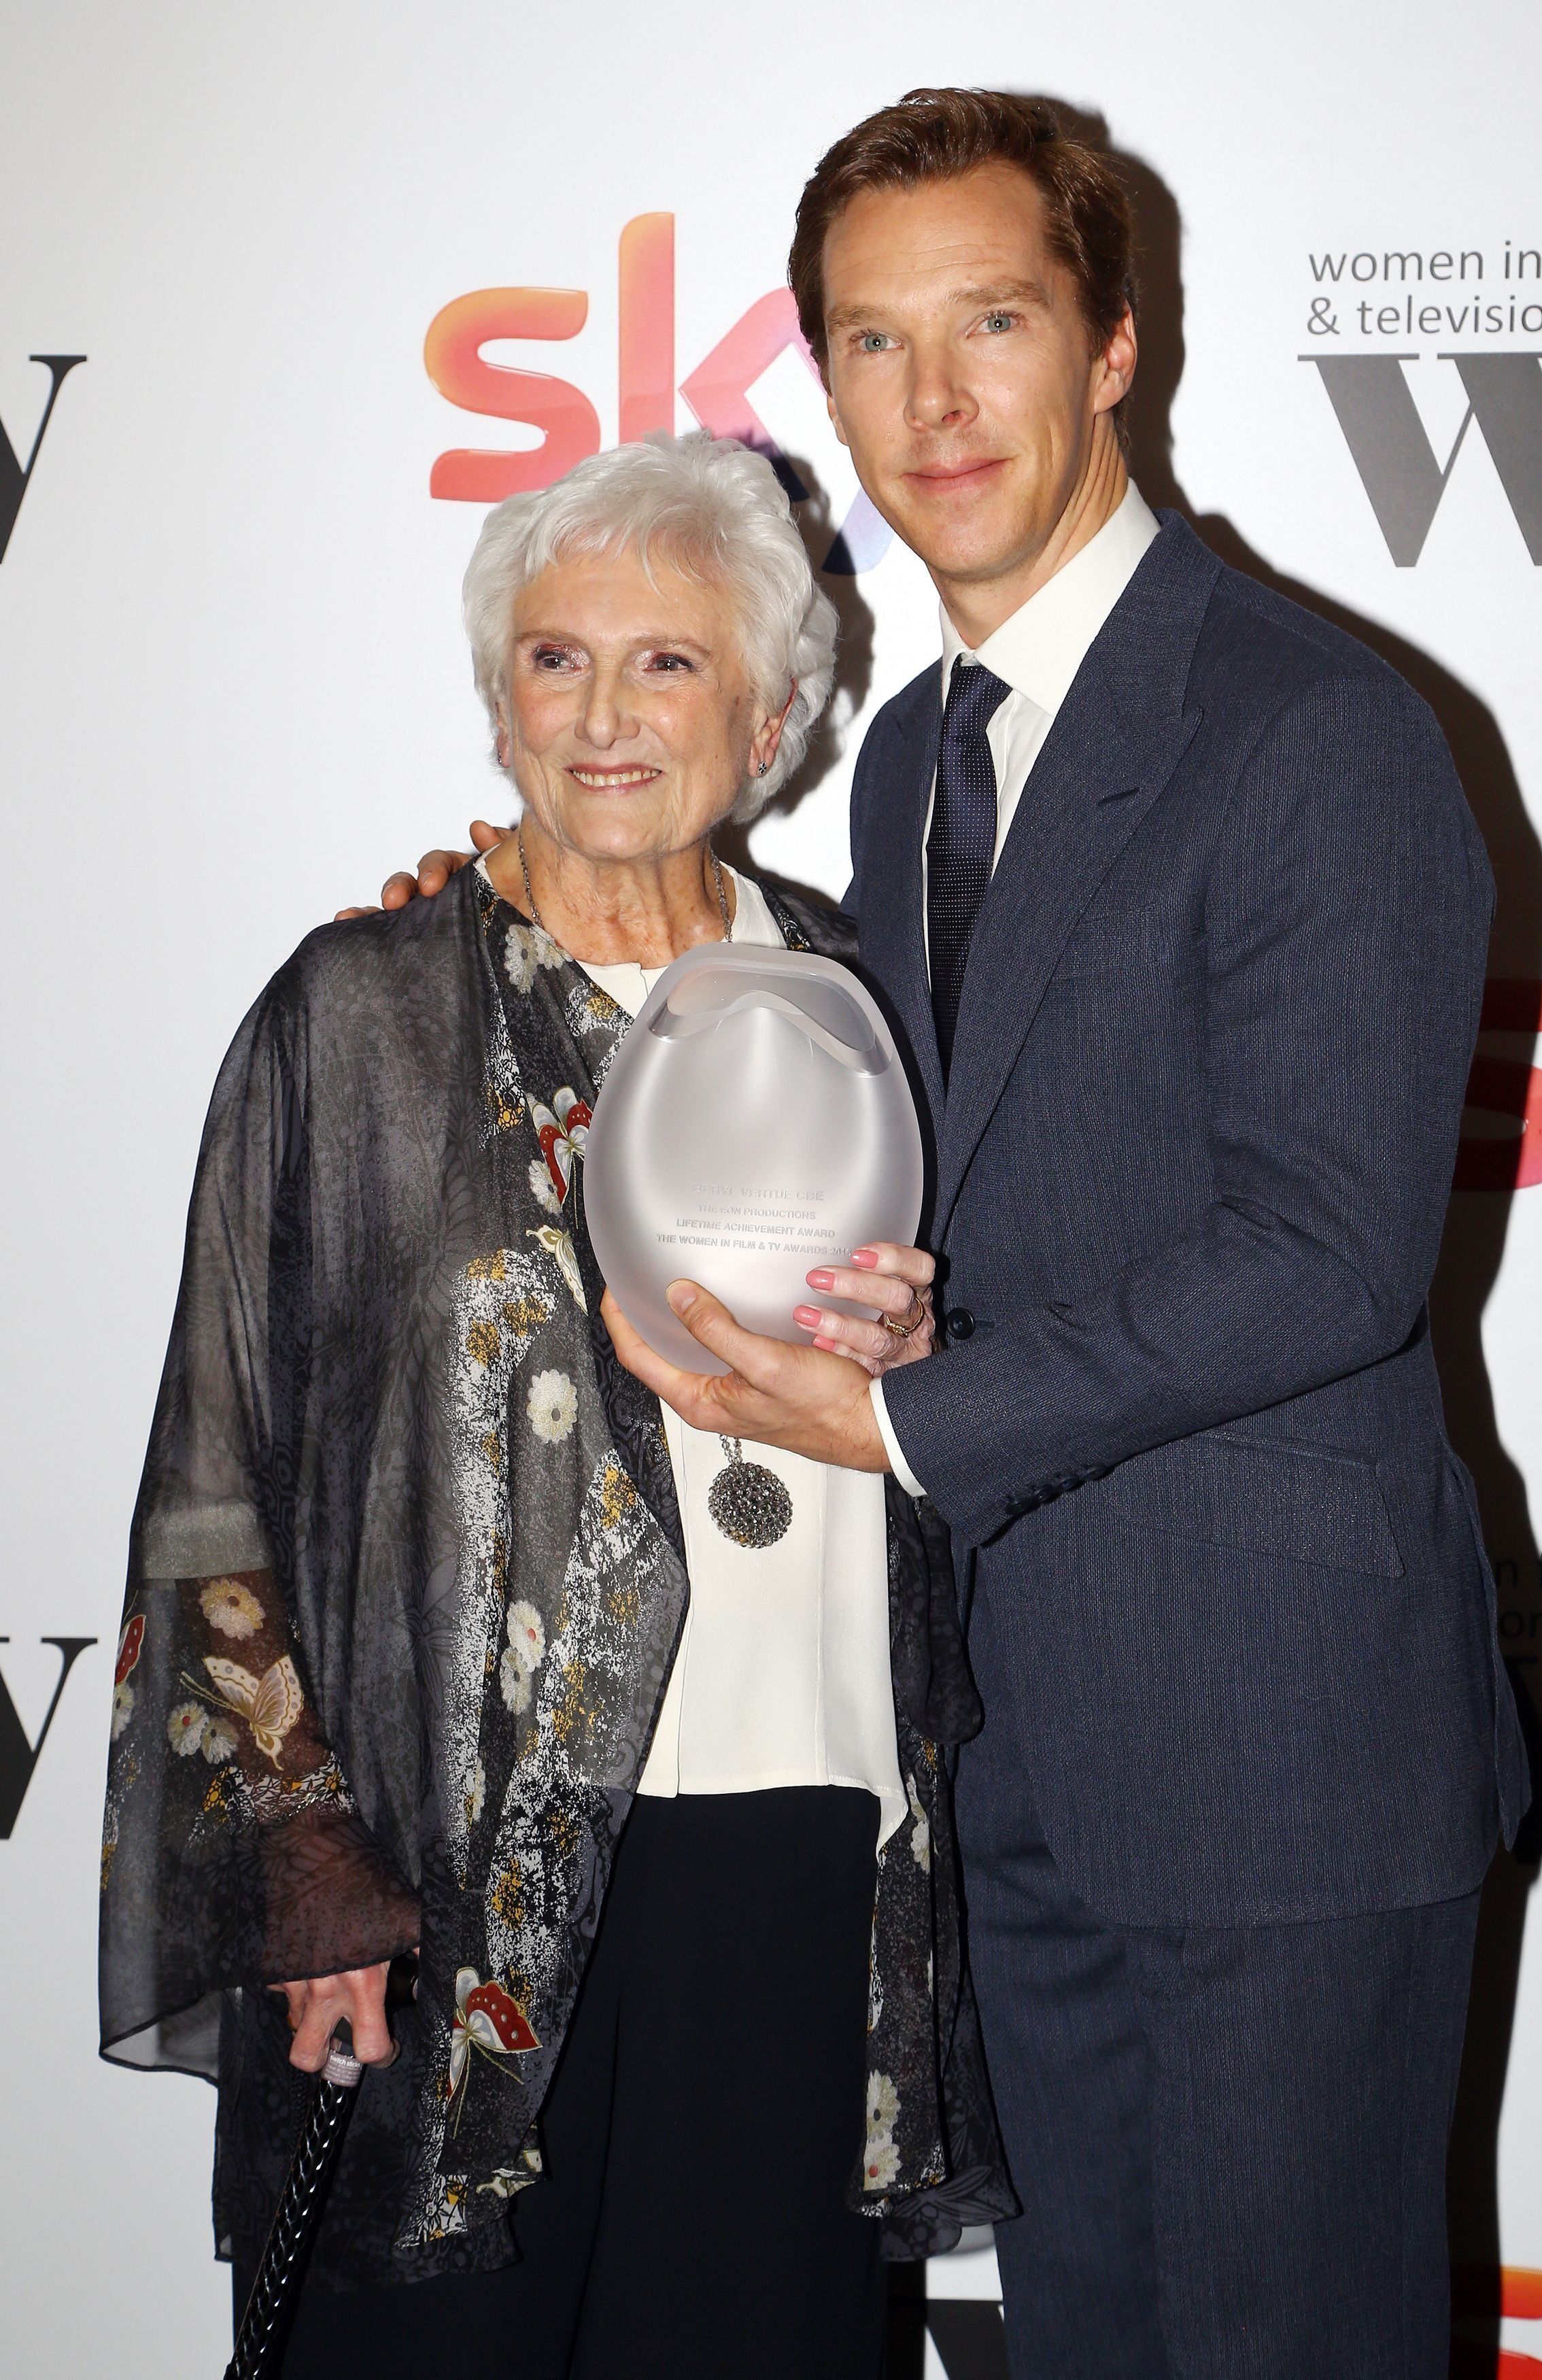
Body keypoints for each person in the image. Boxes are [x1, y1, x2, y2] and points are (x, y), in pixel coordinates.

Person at [382, 90, 1530, 2380]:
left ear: (1113, 340)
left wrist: (910, 1410)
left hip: (1270, 1775)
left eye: (990, 321)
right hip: (1006, 1770)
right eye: (872, 345)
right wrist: (496, 915)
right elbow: (915, 1149)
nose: (934, 404)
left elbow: (1320, 1245)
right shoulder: (910, 753)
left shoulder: (1315, 729)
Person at [98, 430, 1012, 2380]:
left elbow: (970, 1414)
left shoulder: (859, 999)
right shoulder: (359, 1013)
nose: (606, 716)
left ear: (770, 710)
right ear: (498, 699)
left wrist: (938, 1358)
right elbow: (214, 1470)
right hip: (446, 1879)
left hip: (797, 1841)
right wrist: (298, 1855)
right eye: (554, 660)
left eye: (667, 664)